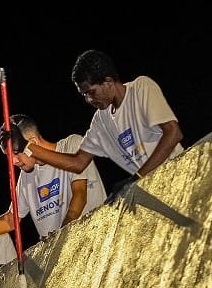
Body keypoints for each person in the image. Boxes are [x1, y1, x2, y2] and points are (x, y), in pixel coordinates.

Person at [22, 49, 185, 194]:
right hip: (154, 190)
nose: (88, 100)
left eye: (91, 92)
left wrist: (137, 178)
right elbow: (78, 163)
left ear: (108, 81)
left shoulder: (141, 88)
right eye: (84, 95)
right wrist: (33, 150)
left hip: (181, 175)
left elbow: (173, 133)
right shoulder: (100, 120)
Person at [0, 114, 107, 245]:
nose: (13, 162)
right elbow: (11, 219)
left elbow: (80, 194)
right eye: (9, 157)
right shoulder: (26, 176)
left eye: (16, 153)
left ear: (31, 143)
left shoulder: (71, 145)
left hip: (97, 237)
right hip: (65, 253)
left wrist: (62, 235)